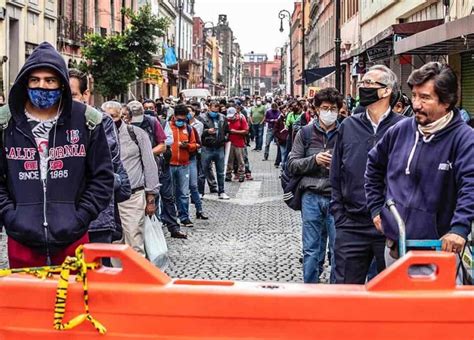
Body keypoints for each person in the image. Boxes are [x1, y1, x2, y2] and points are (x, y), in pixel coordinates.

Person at [0, 42, 114, 268]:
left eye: (50, 80)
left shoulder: (87, 121)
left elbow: (102, 178)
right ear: (25, 82)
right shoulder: (5, 122)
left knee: (72, 303)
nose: (42, 86)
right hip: (22, 240)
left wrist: (80, 216)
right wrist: (11, 216)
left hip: (73, 238)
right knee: (27, 303)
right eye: (35, 80)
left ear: (61, 83)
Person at [365, 62, 474, 266]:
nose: (415, 104)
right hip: (395, 249)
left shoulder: (465, 139)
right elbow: (373, 165)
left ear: (447, 102)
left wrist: (459, 228)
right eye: (414, 95)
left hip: (436, 252)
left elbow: (470, 186)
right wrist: (376, 209)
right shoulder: (400, 130)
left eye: (425, 97)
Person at [330, 65, 404, 284]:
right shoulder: (348, 126)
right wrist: (339, 214)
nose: (363, 87)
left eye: (369, 83)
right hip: (351, 225)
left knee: (389, 295)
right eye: (362, 83)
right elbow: (336, 173)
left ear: (386, 91)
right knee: (345, 293)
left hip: (388, 227)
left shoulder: (403, 127)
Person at [69, 69, 131, 248]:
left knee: (98, 272)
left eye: (72, 95)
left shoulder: (101, 121)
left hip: (97, 219)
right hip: (61, 222)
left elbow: (105, 166)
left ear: (85, 94)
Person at [288, 88, 342, 284]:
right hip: (310, 196)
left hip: (336, 197)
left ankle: (335, 291)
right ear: (317, 109)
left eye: (333, 108)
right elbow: (292, 164)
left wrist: (336, 164)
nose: (329, 112)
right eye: (325, 108)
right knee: (311, 248)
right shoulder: (305, 133)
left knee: (338, 248)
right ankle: (310, 288)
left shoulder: (345, 131)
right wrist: (315, 160)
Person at [104, 101, 160, 254]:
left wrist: (151, 197)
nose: (110, 120)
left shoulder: (136, 134)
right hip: (106, 198)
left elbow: (149, 165)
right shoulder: (96, 135)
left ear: (122, 117)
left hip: (133, 196)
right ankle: (115, 276)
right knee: (112, 244)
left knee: (134, 242)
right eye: (106, 116)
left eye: (114, 116)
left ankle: (136, 276)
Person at [128, 101, 187, 239]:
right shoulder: (125, 123)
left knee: (167, 196)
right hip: (137, 169)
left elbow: (164, 145)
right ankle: (150, 231)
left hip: (159, 166)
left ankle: (173, 227)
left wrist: (145, 153)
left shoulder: (154, 122)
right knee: (146, 199)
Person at [168, 104, 198, 227]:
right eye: (179, 119)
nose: (181, 122)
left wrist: (188, 146)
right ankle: (169, 218)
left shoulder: (189, 129)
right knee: (169, 193)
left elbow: (195, 144)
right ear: (174, 116)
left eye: (183, 119)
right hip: (169, 164)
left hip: (184, 164)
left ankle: (184, 217)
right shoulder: (167, 127)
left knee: (184, 193)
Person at [200, 101, 230, 199]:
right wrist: (207, 131)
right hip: (206, 147)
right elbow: (198, 132)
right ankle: (201, 192)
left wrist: (224, 138)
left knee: (220, 172)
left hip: (219, 147)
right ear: (209, 108)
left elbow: (227, 131)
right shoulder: (202, 118)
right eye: (213, 110)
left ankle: (221, 191)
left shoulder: (222, 118)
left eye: (216, 111)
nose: (215, 112)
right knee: (202, 172)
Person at [187, 105, 208, 220]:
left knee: (193, 185)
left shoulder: (194, 127)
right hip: (178, 160)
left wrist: (188, 145)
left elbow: (197, 143)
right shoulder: (172, 126)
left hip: (192, 157)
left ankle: (199, 210)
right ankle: (183, 215)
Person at [225, 107, 249, 183]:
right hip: (229, 143)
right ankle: (228, 175)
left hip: (239, 143)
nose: (231, 118)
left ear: (236, 114)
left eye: (232, 116)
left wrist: (235, 131)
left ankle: (241, 175)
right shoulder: (226, 119)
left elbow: (246, 131)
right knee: (229, 160)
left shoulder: (241, 118)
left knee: (240, 160)